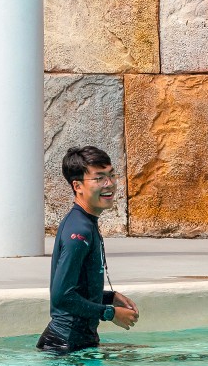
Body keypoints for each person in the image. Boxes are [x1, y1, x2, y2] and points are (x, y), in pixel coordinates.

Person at [36, 146, 139, 354]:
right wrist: (109, 313)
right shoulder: (79, 232)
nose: (109, 184)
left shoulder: (86, 222)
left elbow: (77, 289)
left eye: (111, 175)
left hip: (77, 344)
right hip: (64, 347)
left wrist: (110, 296)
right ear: (78, 186)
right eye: (99, 178)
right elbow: (62, 297)